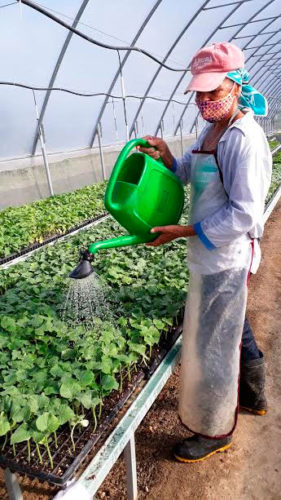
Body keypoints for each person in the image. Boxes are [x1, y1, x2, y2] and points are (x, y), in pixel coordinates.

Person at [137, 42, 272, 462]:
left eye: (212, 92)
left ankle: (215, 431)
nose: (203, 101)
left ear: (234, 85)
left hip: (226, 259)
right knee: (231, 327)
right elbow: (191, 174)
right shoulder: (213, 130)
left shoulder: (243, 139)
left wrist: (185, 231)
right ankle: (255, 395)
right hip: (207, 255)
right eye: (199, 93)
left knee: (216, 343)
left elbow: (244, 215)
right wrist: (168, 157)